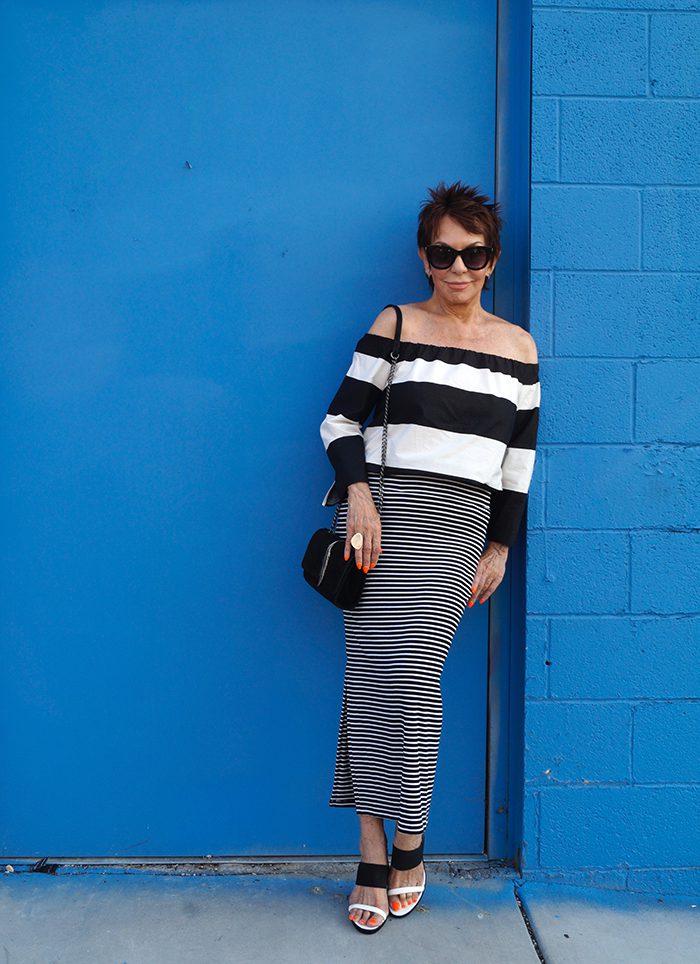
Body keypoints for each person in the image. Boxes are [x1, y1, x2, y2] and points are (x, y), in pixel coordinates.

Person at [319, 180, 541, 933]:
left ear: (492, 260)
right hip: (378, 518)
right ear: (424, 257)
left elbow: (517, 463)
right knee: (373, 677)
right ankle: (375, 850)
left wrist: (501, 545)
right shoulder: (397, 323)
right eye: (443, 253)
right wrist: (357, 495)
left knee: (411, 681)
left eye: (472, 254)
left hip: (457, 524)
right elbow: (340, 417)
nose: (457, 267)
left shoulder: (518, 348)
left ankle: (409, 838)